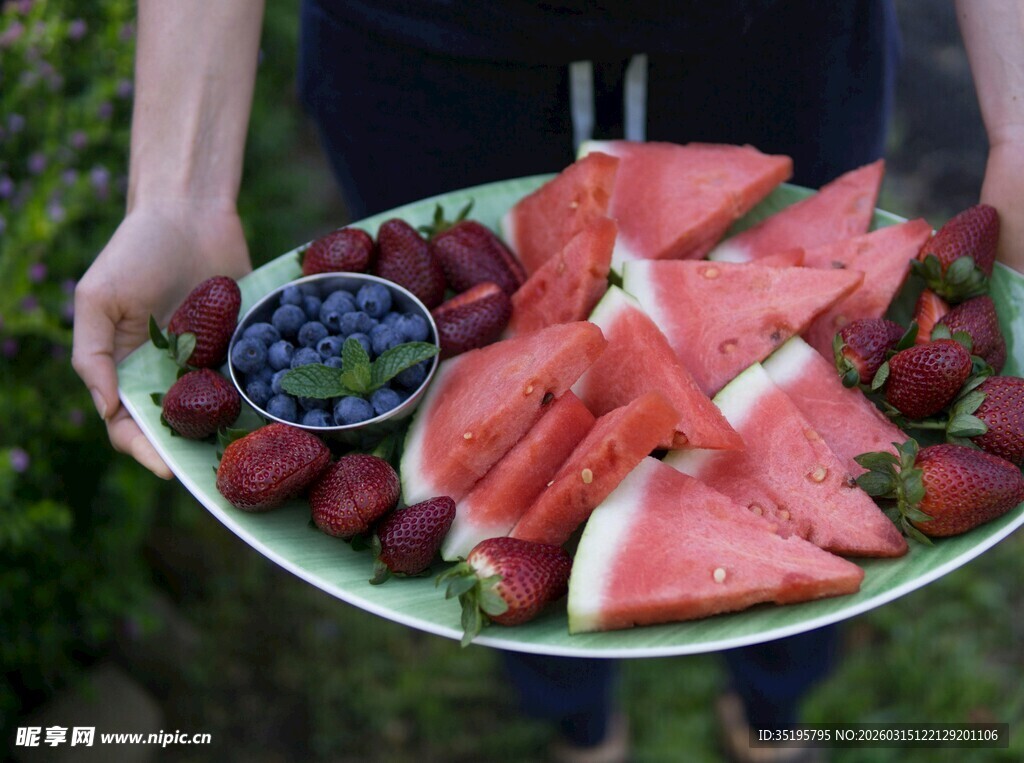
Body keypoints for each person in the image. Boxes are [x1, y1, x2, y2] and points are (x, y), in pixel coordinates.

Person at [72, 2, 1024, 761]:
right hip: (424, 57)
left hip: (776, 41)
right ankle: (579, 721)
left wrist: (1021, 131)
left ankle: (775, 712)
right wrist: (179, 195)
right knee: (510, 535)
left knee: (808, 492)